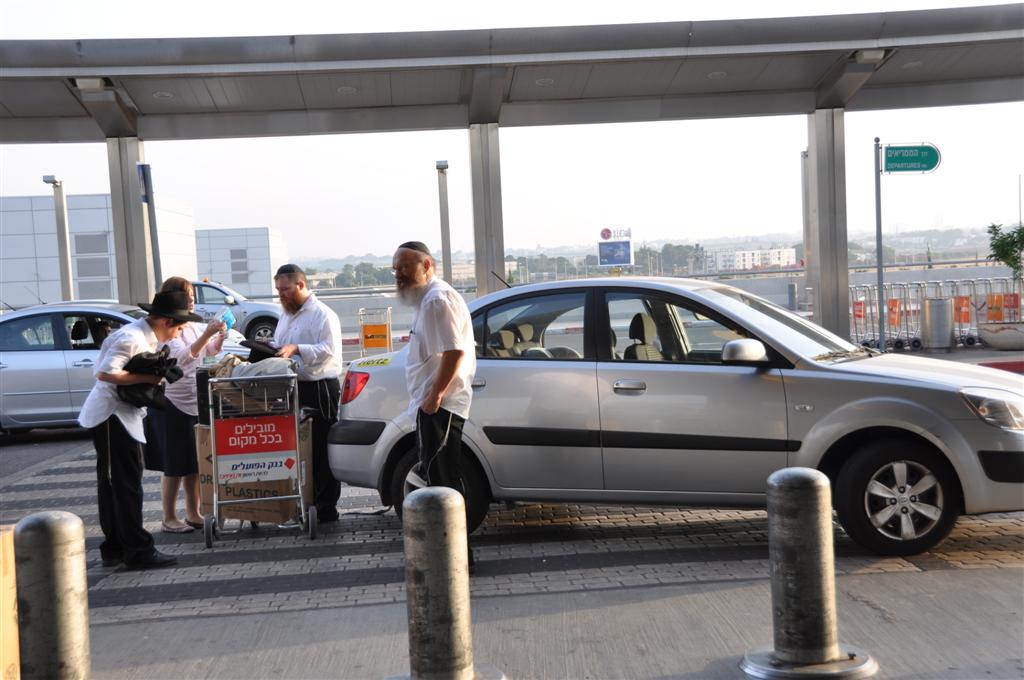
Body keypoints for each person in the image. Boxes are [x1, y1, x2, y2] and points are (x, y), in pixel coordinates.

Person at [78, 290, 202, 569]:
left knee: (115, 485)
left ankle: (115, 547)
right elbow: (106, 372)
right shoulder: (132, 337)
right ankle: (137, 550)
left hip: (120, 415)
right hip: (112, 416)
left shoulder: (138, 334)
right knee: (125, 485)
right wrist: (151, 376)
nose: (178, 334)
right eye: (179, 327)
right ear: (166, 321)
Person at [392, 241, 477, 567]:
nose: (398, 274)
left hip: (440, 407)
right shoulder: (427, 301)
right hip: (432, 406)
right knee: (437, 479)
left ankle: (456, 559)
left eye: (405, 267)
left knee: (443, 486)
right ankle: (449, 554)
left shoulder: (437, 300)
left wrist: (435, 396)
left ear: (427, 265)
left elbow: (455, 352)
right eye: (396, 268)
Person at [145, 277, 226, 533]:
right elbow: (182, 357)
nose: (191, 298)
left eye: (192, 294)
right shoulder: (168, 328)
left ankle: (194, 512)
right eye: (185, 294)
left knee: (193, 462)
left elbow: (205, 351)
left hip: (194, 399)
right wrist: (207, 334)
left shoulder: (190, 323)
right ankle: (169, 517)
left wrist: (219, 338)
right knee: (174, 464)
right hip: (172, 401)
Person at [271, 264, 344, 522]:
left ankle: (326, 507)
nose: (282, 295)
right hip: (295, 386)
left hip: (320, 387)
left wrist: (297, 348)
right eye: (278, 290)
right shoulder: (286, 315)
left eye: (286, 289)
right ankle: (308, 501)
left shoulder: (323, 314)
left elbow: (329, 349)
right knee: (302, 449)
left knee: (321, 449)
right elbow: (282, 344)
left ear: (301, 285)